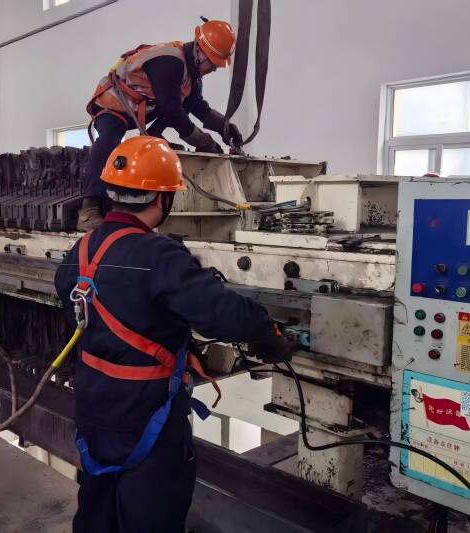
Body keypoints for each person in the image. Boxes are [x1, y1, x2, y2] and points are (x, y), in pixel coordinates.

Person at [55, 135, 293, 532]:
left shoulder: (79, 251)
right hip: (148, 417)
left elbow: (83, 313)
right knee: (151, 517)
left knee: (98, 511)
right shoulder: (159, 255)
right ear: (164, 198)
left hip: (94, 409)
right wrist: (268, 331)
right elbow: (220, 314)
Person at [77, 19, 242, 231]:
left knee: (183, 106)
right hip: (113, 104)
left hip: (143, 108)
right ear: (199, 52)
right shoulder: (169, 62)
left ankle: (153, 142)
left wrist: (225, 127)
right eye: (212, 63)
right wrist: (204, 142)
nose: (214, 69)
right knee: (110, 139)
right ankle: (89, 209)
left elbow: (198, 107)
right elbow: (171, 110)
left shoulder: (192, 77)